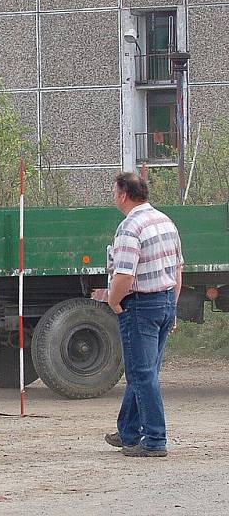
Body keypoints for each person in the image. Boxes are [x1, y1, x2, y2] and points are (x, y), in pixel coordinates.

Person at [104, 172, 184, 458]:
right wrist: (171, 307)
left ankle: (154, 439)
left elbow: (124, 275)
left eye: (114, 191)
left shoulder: (129, 228)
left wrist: (113, 302)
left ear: (124, 194)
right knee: (146, 371)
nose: (114, 196)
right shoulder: (165, 221)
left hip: (140, 305)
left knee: (141, 372)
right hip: (164, 301)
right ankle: (128, 431)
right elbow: (177, 269)